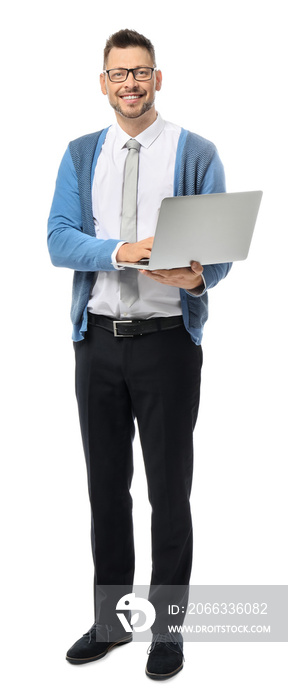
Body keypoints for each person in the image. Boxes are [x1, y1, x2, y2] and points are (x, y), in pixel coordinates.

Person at [47, 28, 232, 681]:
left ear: (158, 79)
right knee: (106, 490)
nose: (130, 82)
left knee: (169, 492)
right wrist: (119, 252)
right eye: (119, 72)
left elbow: (218, 251)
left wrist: (199, 277)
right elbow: (60, 241)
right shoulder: (78, 155)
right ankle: (114, 623)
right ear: (104, 82)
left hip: (166, 348)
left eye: (141, 72)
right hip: (96, 343)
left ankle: (170, 631)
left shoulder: (194, 151)